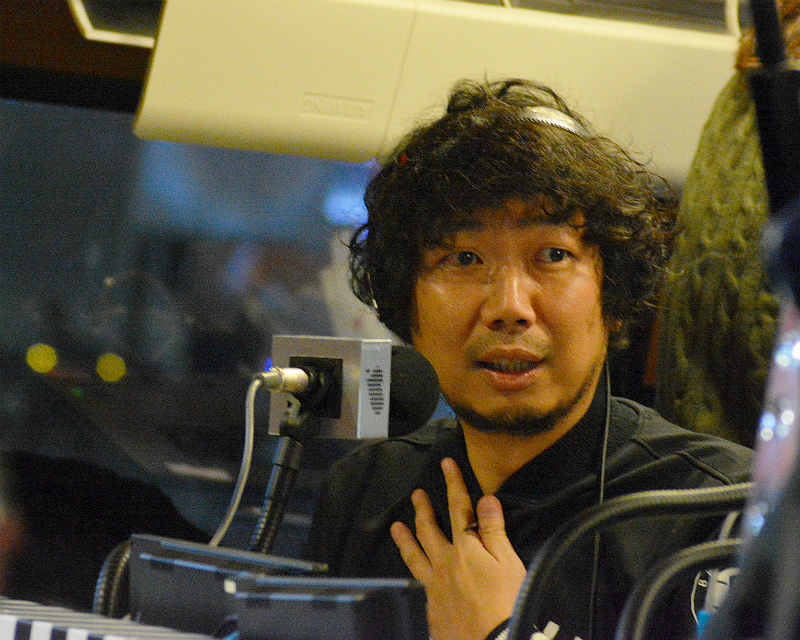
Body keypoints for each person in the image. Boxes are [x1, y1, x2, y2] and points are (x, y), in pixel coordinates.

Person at [304, 78, 753, 640]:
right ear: (406, 306)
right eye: (464, 259)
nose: (510, 308)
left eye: (553, 256)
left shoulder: (722, 511)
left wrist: (501, 633)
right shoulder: (365, 494)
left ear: (612, 297)